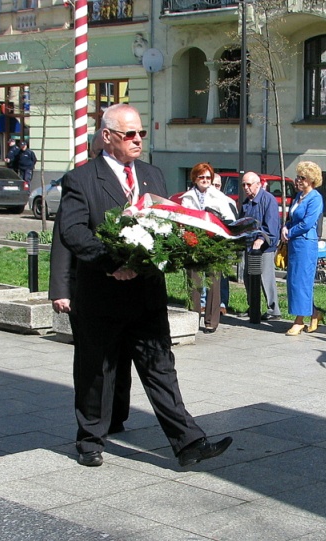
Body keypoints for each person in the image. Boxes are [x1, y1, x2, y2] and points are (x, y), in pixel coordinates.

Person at [58, 103, 231, 468]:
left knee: (160, 366)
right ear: (107, 137)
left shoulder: (153, 175)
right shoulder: (82, 180)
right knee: (97, 371)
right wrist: (110, 262)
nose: (138, 140)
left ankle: (189, 442)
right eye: (129, 134)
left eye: (141, 134)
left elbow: (167, 226)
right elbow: (72, 232)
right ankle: (90, 439)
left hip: (146, 294)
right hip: (102, 294)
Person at [48, 134, 132, 437]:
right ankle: (94, 420)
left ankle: (117, 415)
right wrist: (60, 289)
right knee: (92, 362)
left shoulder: (128, 183)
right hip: (86, 286)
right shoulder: (80, 184)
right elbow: (63, 241)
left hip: (124, 286)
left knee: (121, 360)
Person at [180, 163, 236, 333]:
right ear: (195, 179)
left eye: (207, 178)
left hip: (214, 243)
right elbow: (182, 219)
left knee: (213, 280)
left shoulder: (219, 197)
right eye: (201, 177)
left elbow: (229, 219)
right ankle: (193, 318)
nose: (205, 181)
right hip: (193, 243)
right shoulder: (187, 197)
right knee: (194, 282)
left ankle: (211, 321)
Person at [280, 162, 324, 336]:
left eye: (302, 178)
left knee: (302, 281)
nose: (298, 180)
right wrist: (286, 226)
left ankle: (299, 320)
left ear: (311, 180)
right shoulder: (299, 196)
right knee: (294, 281)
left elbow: (307, 223)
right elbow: (293, 217)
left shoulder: (315, 198)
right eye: (298, 177)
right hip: (294, 242)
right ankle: (314, 313)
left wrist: (290, 232)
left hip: (306, 243)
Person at [240, 172, 282, 321]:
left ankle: (274, 310)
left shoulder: (268, 200)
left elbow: (271, 226)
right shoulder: (247, 201)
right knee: (248, 276)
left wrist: (261, 239)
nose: (245, 187)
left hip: (263, 247)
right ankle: (253, 307)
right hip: (249, 245)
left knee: (265, 278)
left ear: (258, 184)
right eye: (243, 184)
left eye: (248, 184)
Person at [211, 173, 231, 312]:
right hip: (207, 242)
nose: (214, 187)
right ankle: (203, 303)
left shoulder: (226, 201)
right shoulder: (203, 199)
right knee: (206, 273)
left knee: (223, 274)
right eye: (212, 184)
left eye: (217, 185)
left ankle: (222, 303)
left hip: (223, 243)